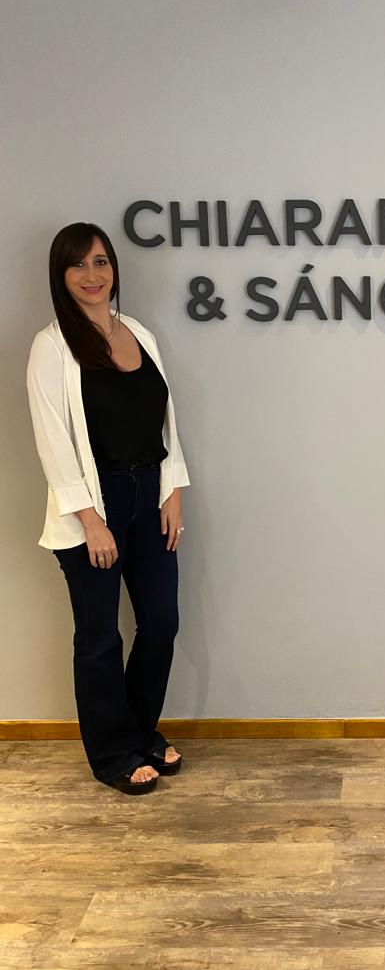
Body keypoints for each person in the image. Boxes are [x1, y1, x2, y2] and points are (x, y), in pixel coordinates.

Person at [26, 223, 190, 794]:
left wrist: (173, 490)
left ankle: (141, 730)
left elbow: (163, 418)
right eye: (77, 266)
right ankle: (112, 753)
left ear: (114, 268)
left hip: (151, 496)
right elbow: (53, 439)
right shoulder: (52, 347)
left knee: (161, 624)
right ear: (61, 275)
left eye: (100, 262)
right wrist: (91, 522)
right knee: (99, 638)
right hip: (93, 508)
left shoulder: (139, 332)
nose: (91, 276)